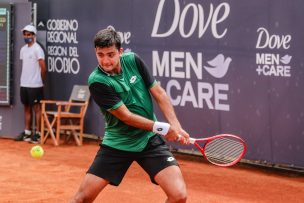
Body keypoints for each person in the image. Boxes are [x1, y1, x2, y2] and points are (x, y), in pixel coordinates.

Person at [70, 26, 190, 203]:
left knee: (178, 195)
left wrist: (176, 125)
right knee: (82, 199)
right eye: (100, 55)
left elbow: (159, 93)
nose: (105, 61)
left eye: (110, 54)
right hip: (118, 144)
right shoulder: (97, 81)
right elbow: (126, 116)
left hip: (149, 140)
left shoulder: (133, 60)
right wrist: (163, 128)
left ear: (120, 51)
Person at [14, 24, 46, 144]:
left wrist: (40, 81)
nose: (27, 36)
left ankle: (38, 134)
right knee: (26, 108)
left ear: (33, 36)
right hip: (24, 84)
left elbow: (43, 68)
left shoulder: (38, 49)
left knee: (37, 109)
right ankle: (27, 133)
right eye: (25, 34)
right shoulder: (23, 50)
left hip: (36, 85)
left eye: (29, 34)